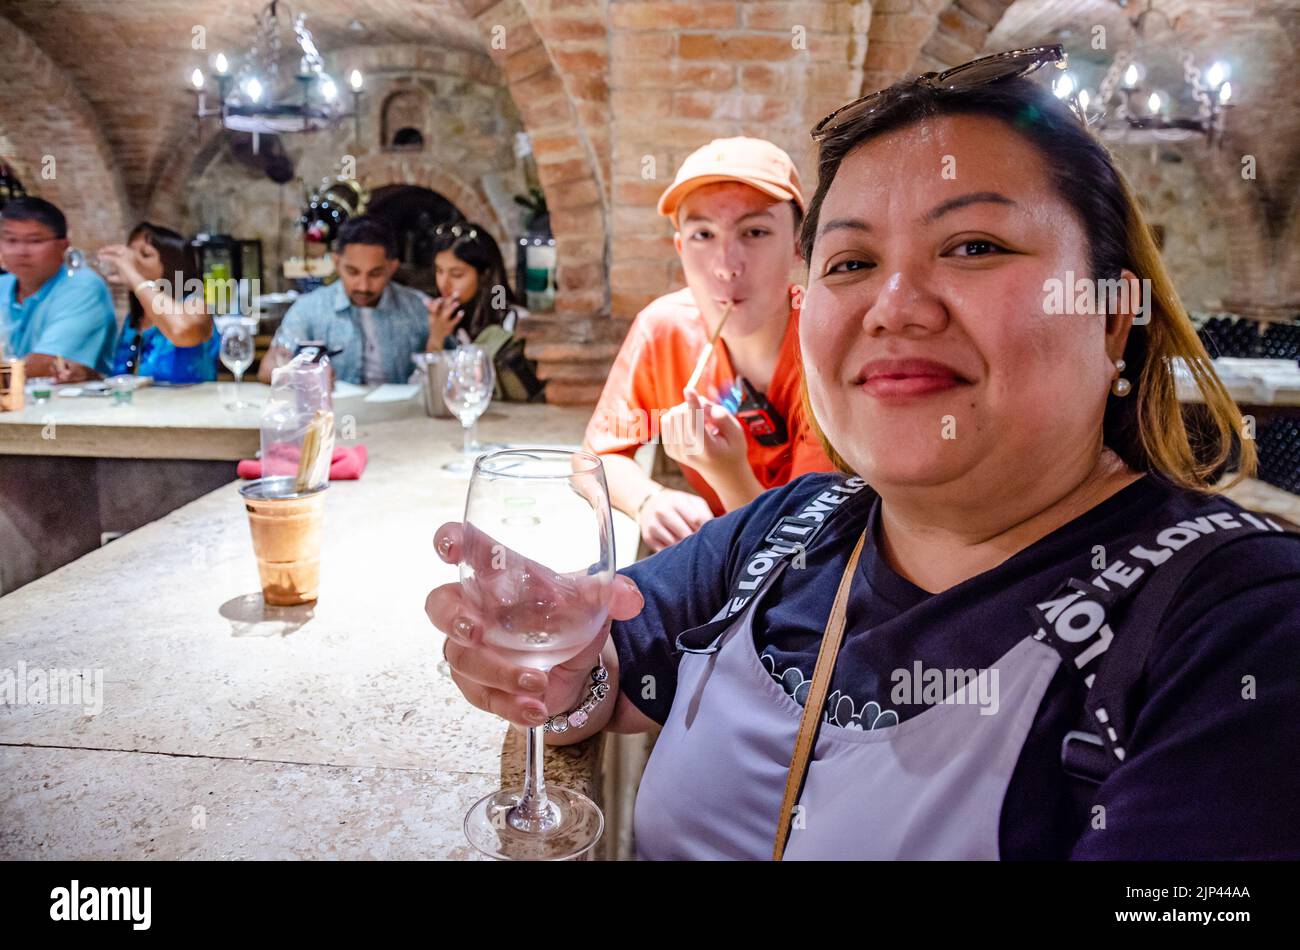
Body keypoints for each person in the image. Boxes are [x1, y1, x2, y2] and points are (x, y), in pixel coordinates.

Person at [427, 48, 1300, 859]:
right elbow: (616, 669)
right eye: (851, 262)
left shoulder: (1246, 625)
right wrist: (557, 675)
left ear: (1113, 315)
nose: (895, 305)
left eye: (973, 246)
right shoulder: (791, 524)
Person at [583, 137, 836, 553]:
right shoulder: (663, 329)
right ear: (680, 248)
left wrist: (728, 473)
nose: (725, 266)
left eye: (754, 232)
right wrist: (649, 501)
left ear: (798, 246)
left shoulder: (828, 346)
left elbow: (803, 547)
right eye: (703, 234)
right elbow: (597, 459)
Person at [259, 215, 449, 385]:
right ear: (336, 263)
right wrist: (305, 376)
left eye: (375, 274)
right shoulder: (309, 308)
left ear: (392, 267)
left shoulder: (420, 308)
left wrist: (438, 338)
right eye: (352, 272)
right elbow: (267, 369)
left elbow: (458, 371)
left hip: (404, 420)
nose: (363, 286)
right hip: (332, 420)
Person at [0, 196, 116, 382]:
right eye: (11, 240)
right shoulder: (3, 285)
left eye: (35, 241)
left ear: (63, 245)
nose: (21, 251)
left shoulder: (82, 286)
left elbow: (46, 363)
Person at [426, 222, 544, 402]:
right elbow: (426, 389)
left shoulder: (513, 321)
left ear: (485, 275)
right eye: (439, 271)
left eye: (456, 274)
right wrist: (436, 338)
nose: (444, 284)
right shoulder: (438, 318)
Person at [98, 222, 218, 383]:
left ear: (173, 265)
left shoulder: (194, 304)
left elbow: (182, 330)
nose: (133, 262)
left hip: (187, 407)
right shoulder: (134, 320)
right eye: (131, 254)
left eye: (145, 255)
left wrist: (134, 276)